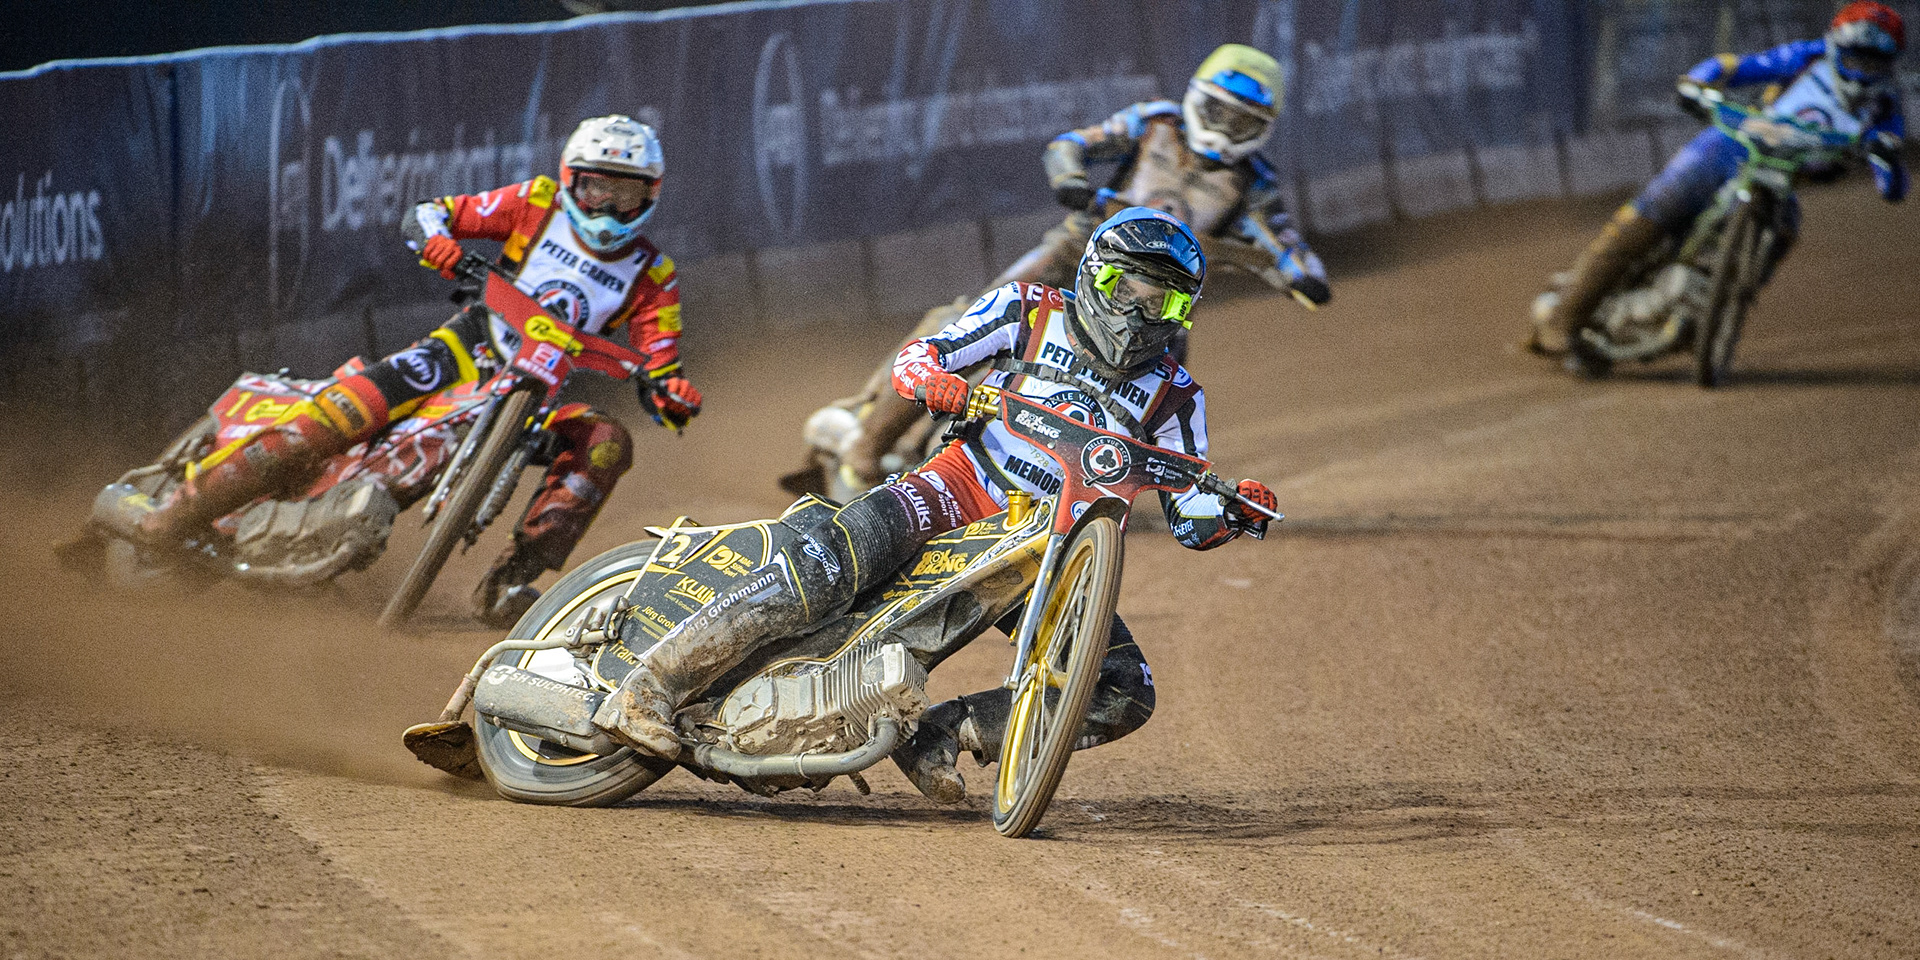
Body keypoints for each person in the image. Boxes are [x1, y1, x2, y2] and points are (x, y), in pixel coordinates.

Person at [594, 207, 1280, 803]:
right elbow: (920, 358)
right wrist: (939, 383)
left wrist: (1232, 512)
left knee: (1124, 690)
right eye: (1128, 289)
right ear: (1096, 275)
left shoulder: (1177, 396)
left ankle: (939, 734)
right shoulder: (1027, 309)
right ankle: (650, 686)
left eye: (1163, 302)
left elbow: (1191, 517)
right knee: (829, 562)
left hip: (1044, 554)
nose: (1139, 312)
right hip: (955, 490)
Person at [96, 115, 703, 625]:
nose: (609, 207)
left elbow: (660, 364)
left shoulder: (654, 275)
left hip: (538, 397)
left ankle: (512, 581)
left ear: (650, 196)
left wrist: (671, 394)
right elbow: (430, 214)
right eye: (597, 189)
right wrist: (440, 244)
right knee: (337, 416)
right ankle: (169, 518)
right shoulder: (537, 203)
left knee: (607, 441)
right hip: (461, 351)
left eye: (626, 194)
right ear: (572, 180)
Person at [783, 42, 1328, 500]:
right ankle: (866, 449)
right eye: (1217, 111)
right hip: (1075, 254)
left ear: (1262, 128)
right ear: (1194, 97)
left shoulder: (1255, 184)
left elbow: (1288, 246)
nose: (1224, 128)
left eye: (1242, 121)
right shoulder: (1154, 123)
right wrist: (1071, 180)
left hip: (1153, 300)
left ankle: (1074, 488)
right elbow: (1070, 145)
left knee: (1154, 393)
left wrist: (1303, 275)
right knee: (966, 325)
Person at [1530, 1, 1907, 363]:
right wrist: (1698, 83)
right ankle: (1566, 316)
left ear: (1889, 64)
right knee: (1655, 208)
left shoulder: (1885, 105)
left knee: (1785, 232)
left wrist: (1887, 158)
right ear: (1836, 47)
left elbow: (1893, 187)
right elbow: (1735, 66)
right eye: (1855, 57)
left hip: (1780, 181)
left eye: (1873, 61)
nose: (1862, 70)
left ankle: (1713, 315)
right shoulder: (1807, 57)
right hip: (1728, 148)